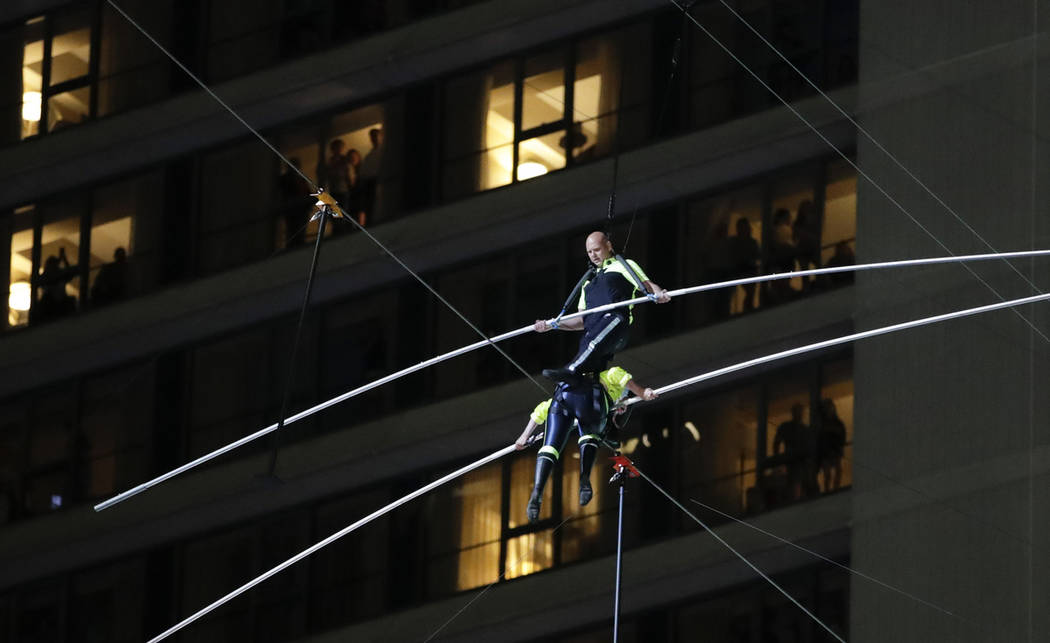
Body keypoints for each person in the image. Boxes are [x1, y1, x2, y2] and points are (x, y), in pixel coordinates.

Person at [514, 366, 658, 523]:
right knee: (589, 435)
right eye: (623, 406)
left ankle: (539, 491)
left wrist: (524, 436)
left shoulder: (608, 397)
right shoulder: (611, 375)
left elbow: (543, 409)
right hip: (590, 398)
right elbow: (631, 386)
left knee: (553, 446)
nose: (622, 408)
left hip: (568, 398)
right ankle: (581, 482)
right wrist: (643, 392)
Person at [535, 231, 670, 384]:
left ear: (608, 246)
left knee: (594, 338)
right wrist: (553, 325)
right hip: (594, 333)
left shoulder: (623, 266)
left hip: (616, 324)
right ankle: (611, 401)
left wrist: (660, 294)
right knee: (591, 373)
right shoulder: (588, 282)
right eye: (589, 252)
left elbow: (649, 286)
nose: (593, 255)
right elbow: (581, 320)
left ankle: (572, 370)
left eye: (597, 250)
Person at [771, 403, 816, 501]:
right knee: (796, 481)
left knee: (801, 481)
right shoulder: (787, 427)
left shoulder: (804, 430)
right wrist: (778, 460)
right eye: (797, 411)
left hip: (800, 461)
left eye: (800, 411)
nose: (799, 414)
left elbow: (777, 443)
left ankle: (800, 499)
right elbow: (776, 443)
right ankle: (797, 500)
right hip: (794, 460)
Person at [34, 249, 77, 323]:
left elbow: (69, 273)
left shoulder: (60, 276)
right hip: (50, 305)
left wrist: (63, 259)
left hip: (60, 304)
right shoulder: (45, 277)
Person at [729, 217, 760, 311]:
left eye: (745, 227)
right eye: (742, 227)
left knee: (750, 294)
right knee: (749, 294)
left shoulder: (752, 242)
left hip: (749, 270)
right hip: (740, 270)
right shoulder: (735, 242)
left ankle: (748, 309)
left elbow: (757, 255)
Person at [816, 398, 847, 492]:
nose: (829, 410)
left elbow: (842, 435)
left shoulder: (838, 423)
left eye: (830, 407)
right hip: (826, 451)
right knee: (827, 474)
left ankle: (835, 489)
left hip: (836, 450)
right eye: (827, 408)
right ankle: (827, 490)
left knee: (838, 470)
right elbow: (819, 437)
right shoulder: (822, 424)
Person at [358, 128, 383, 219]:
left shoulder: (384, 151)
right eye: (372, 136)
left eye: (376, 136)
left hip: (380, 181)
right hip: (370, 184)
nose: (374, 138)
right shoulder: (369, 155)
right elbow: (364, 172)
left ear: (381, 136)